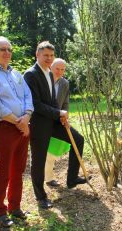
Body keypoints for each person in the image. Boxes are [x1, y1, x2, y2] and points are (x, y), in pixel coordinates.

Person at [24, 41, 87, 209]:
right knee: (39, 160)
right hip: (38, 124)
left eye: (51, 55)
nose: (49, 58)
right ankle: (41, 196)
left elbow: (52, 100)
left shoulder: (49, 73)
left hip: (53, 121)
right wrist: (58, 113)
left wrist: (60, 115)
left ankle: (71, 178)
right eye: (46, 55)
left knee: (78, 139)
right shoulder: (31, 74)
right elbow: (35, 103)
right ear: (37, 55)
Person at [0, 36, 34, 227]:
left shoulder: (17, 74)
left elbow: (28, 96)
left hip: (23, 127)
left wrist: (26, 116)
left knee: (17, 170)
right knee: (3, 171)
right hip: (4, 128)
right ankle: (0, 211)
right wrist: (19, 122)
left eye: (9, 49)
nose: (7, 52)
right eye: (2, 49)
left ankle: (15, 207)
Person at [44, 58, 70, 187]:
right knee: (40, 150)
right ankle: (41, 177)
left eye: (63, 69)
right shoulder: (44, 80)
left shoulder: (64, 83)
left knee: (52, 150)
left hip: (57, 120)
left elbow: (65, 103)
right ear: (51, 67)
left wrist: (65, 116)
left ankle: (48, 178)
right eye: (57, 69)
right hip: (42, 120)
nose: (60, 72)